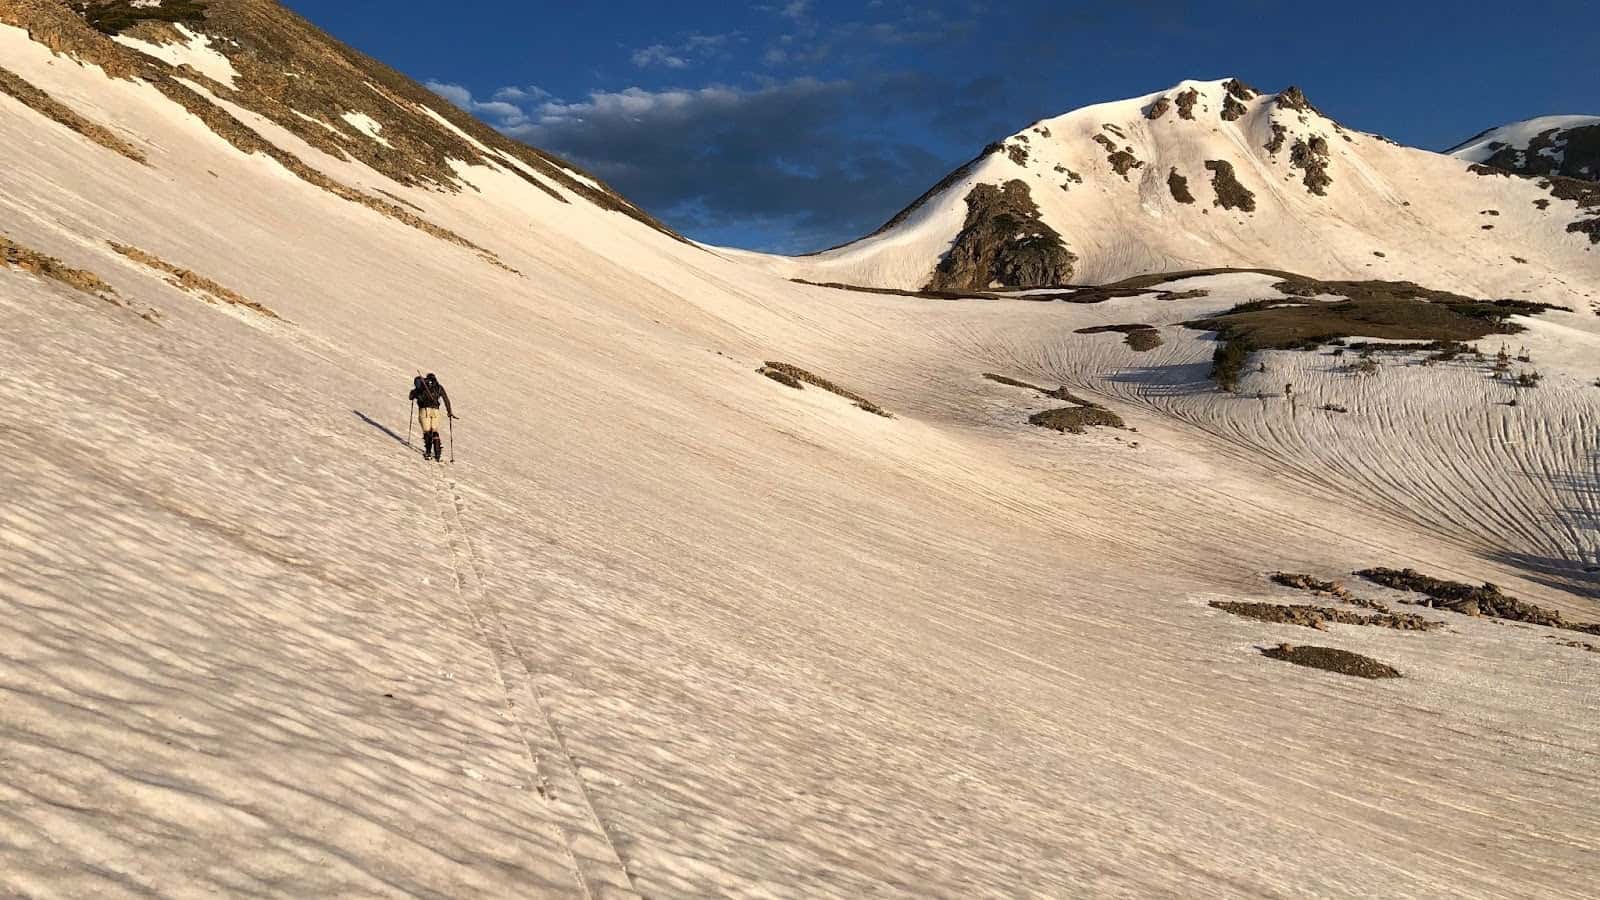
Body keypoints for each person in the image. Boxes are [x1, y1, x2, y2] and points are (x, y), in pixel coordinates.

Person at [409, 372, 455, 461]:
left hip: (424, 410)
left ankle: (428, 452)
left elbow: (411, 397)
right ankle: (437, 454)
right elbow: (446, 399)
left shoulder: (422, 386)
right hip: (436, 411)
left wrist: (415, 392)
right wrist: (449, 412)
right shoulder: (439, 387)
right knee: (434, 430)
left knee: (427, 431)